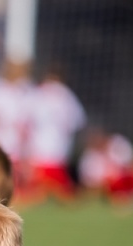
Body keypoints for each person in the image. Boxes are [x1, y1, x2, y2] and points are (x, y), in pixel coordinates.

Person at [20, 65, 83, 203]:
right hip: (58, 152)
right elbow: (76, 123)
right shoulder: (67, 96)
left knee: (33, 192)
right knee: (63, 192)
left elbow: (24, 123)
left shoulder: (37, 94)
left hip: (38, 152)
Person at [77, 128, 133, 208]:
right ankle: (123, 198)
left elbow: (129, 163)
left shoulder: (117, 144)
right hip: (107, 186)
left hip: (124, 177)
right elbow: (91, 180)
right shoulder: (90, 157)